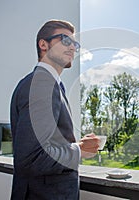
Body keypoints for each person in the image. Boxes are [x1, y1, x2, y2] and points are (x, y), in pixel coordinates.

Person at [10, 19, 100, 200]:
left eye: (75, 43)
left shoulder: (48, 84)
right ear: (43, 44)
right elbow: (31, 158)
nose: (73, 47)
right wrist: (79, 150)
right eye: (65, 40)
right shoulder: (42, 84)